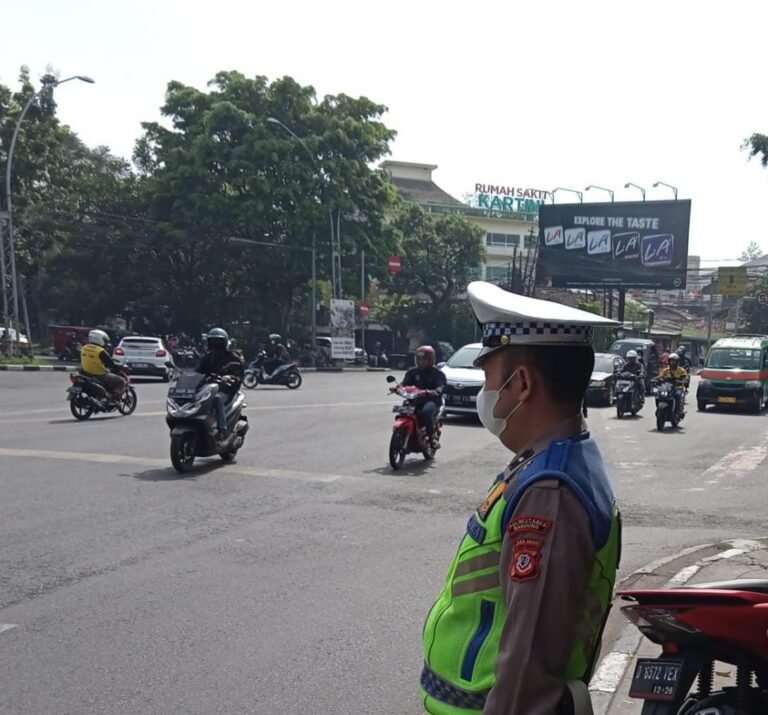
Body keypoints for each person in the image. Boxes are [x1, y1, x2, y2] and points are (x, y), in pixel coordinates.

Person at [419, 282, 621, 715]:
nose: (487, 392)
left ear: (523, 383)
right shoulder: (548, 463)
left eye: (492, 378)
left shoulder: (550, 490)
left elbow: (527, 661)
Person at [195, 328, 244, 440]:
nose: (215, 344)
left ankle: (222, 429)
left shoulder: (232, 357)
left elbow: (238, 374)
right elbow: (197, 371)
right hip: (208, 387)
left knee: (216, 398)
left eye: (218, 341)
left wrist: (229, 377)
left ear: (224, 342)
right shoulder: (207, 357)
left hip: (225, 390)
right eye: (213, 341)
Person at [396, 346, 446, 447]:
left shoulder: (437, 373)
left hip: (431, 400)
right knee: (402, 411)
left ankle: (432, 439)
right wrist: (398, 388)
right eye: (419, 359)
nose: (422, 362)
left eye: (425, 360)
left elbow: (441, 387)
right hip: (414, 399)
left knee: (426, 412)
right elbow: (405, 384)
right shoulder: (412, 372)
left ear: (431, 360)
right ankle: (400, 433)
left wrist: (433, 391)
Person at [80, 329, 126, 400]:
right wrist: (119, 366)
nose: (105, 342)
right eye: (104, 340)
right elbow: (110, 363)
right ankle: (115, 397)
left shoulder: (84, 347)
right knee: (121, 381)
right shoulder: (100, 351)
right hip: (100, 375)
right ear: (99, 339)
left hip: (86, 373)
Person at [658, 352, 689, 417]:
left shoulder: (681, 370)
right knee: (658, 394)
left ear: (677, 362)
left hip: (677, 387)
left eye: (674, 361)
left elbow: (685, 378)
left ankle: (677, 412)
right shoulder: (665, 370)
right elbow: (660, 377)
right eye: (671, 361)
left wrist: (682, 380)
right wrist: (657, 380)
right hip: (667, 387)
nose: (672, 363)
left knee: (677, 395)